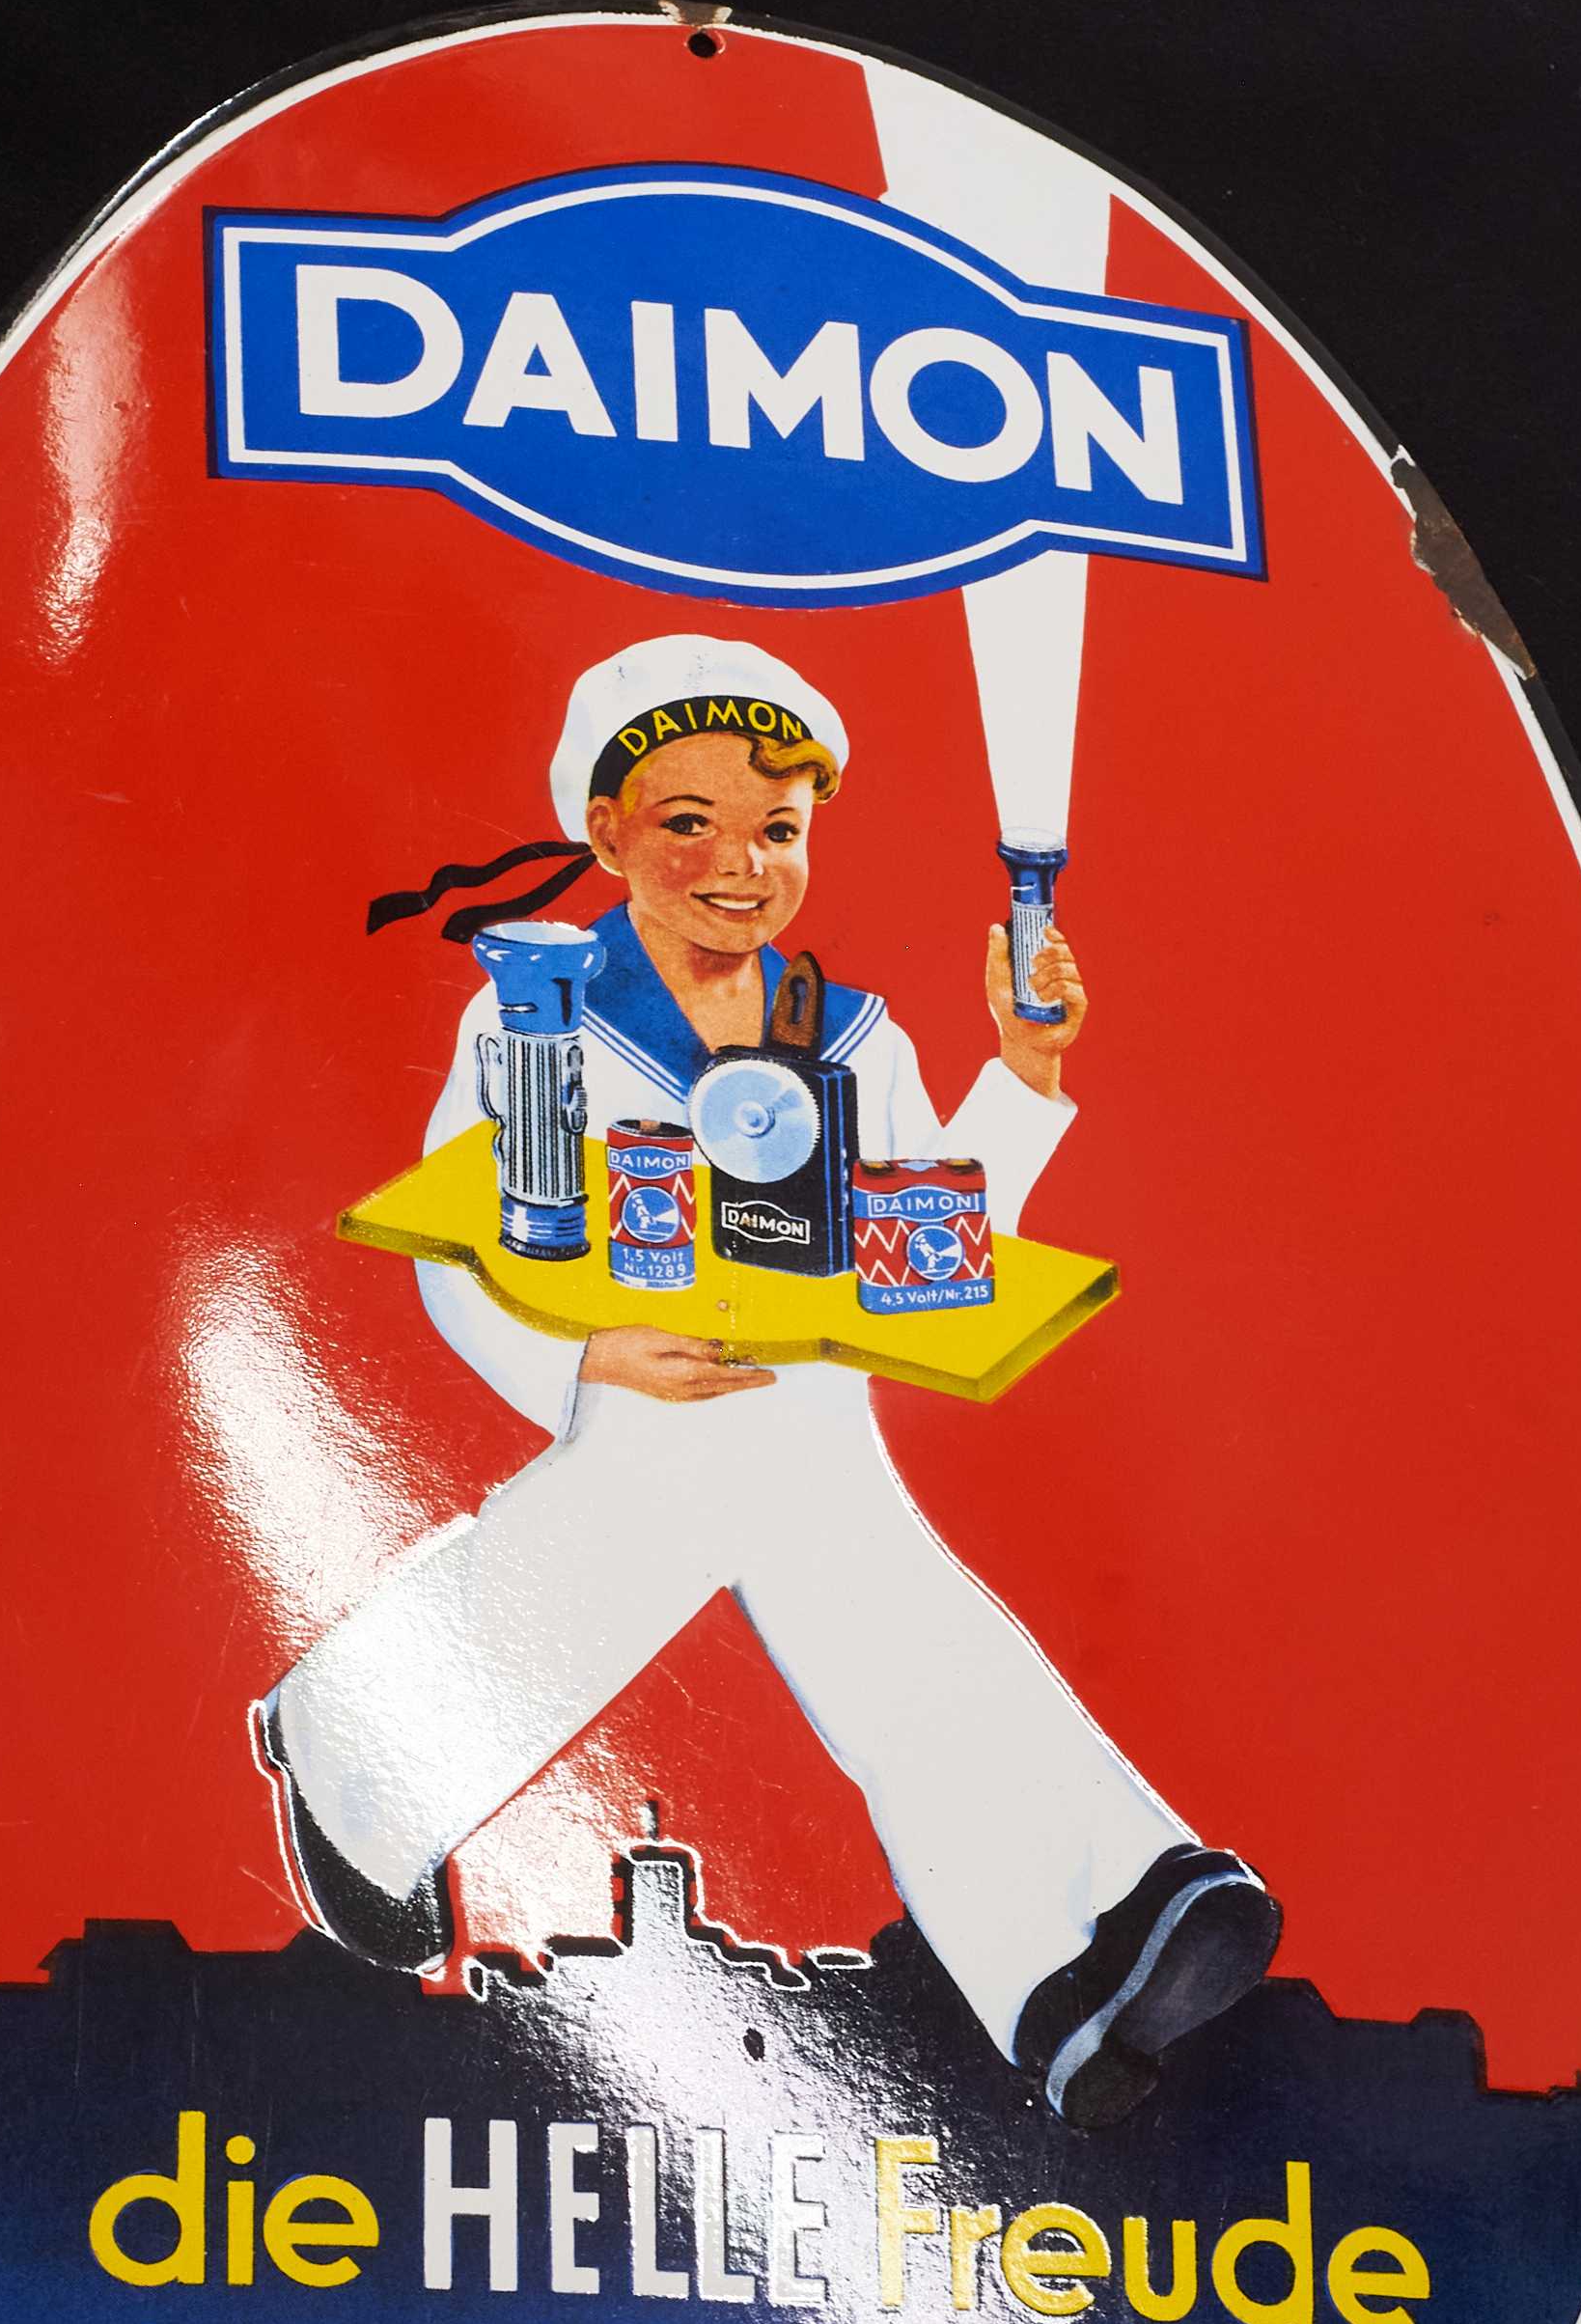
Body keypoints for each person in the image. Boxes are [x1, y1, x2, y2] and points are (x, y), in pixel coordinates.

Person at [255, 633, 1279, 2130]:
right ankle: (1081, 1937)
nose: (739, 864)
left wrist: (1024, 1070)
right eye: (690, 821)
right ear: (605, 831)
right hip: (652, 1399)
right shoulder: (534, 1013)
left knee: (803, 1537)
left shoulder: (851, 1036)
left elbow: (934, 1236)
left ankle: (357, 1740)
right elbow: (458, 1246)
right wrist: (583, 1355)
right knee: (826, 1560)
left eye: (777, 829)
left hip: (796, 1404)